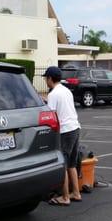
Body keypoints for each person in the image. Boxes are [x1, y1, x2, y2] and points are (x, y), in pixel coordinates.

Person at [44, 66, 82, 206]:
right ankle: (76, 193)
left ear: (50, 78)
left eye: (46, 78)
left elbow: (51, 115)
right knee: (72, 163)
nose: (45, 81)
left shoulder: (53, 94)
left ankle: (65, 197)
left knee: (63, 165)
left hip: (65, 131)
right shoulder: (66, 91)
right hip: (75, 128)